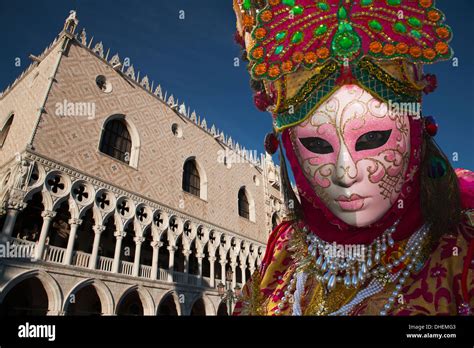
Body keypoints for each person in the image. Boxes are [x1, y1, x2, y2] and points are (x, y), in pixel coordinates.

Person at [232, 0, 473, 315]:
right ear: (290, 148)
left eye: (373, 138)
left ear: (413, 133)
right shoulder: (282, 253)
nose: (346, 173)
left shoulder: (461, 249)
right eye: (317, 144)